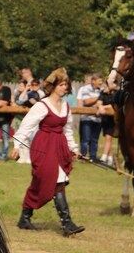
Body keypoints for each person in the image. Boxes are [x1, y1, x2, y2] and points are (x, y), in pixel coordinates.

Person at [15, 67, 84, 236]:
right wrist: (17, 146)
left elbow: (67, 130)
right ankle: (67, 224)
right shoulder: (42, 105)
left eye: (66, 85)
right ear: (53, 86)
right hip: (43, 146)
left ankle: (25, 218)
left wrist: (73, 148)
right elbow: (27, 125)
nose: (64, 88)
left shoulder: (66, 106)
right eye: (61, 84)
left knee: (42, 183)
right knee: (55, 180)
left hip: (59, 146)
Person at [77, 73, 103, 162]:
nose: (101, 83)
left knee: (95, 140)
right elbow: (87, 102)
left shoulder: (101, 90)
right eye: (99, 81)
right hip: (87, 118)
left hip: (98, 119)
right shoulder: (85, 89)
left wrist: (98, 101)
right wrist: (99, 98)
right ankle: (83, 157)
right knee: (86, 139)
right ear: (93, 81)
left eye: (101, 81)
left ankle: (93, 157)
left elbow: (103, 103)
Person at [98, 79, 116, 166]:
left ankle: (104, 157)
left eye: (110, 84)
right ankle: (110, 158)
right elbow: (99, 102)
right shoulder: (103, 93)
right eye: (107, 84)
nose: (107, 85)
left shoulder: (116, 93)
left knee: (109, 137)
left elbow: (114, 105)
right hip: (105, 119)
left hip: (114, 120)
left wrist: (103, 107)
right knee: (108, 138)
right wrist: (100, 106)